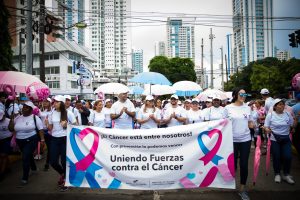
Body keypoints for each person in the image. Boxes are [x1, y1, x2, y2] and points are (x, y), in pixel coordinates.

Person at [224, 88, 254, 200]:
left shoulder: (247, 108)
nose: (243, 95)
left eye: (245, 94)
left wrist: (254, 125)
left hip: (245, 140)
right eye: (241, 94)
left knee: (244, 164)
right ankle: (231, 184)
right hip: (231, 140)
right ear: (235, 95)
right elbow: (223, 123)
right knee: (233, 165)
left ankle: (242, 189)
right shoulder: (228, 108)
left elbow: (250, 121)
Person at [8, 101, 45, 186]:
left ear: (31, 109)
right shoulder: (17, 118)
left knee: (25, 157)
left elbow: (40, 130)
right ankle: (34, 168)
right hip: (19, 141)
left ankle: (24, 178)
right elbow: (10, 129)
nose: (24, 109)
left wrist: (42, 140)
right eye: (23, 107)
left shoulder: (35, 118)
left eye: (26, 107)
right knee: (27, 155)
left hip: (31, 140)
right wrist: (11, 120)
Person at [46, 95, 76, 191]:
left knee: (64, 161)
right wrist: (47, 124)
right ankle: (63, 174)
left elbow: (76, 125)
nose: (54, 103)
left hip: (65, 139)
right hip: (54, 139)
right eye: (54, 101)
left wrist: (67, 124)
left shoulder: (68, 113)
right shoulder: (51, 113)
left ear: (61, 103)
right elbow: (50, 128)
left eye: (57, 102)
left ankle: (66, 182)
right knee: (53, 161)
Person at [264, 99, 296, 184]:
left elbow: (292, 125)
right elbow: (266, 126)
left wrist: (296, 119)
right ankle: (277, 173)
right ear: (275, 106)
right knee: (276, 157)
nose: (282, 106)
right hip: (274, 139)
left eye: (283, 104)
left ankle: (286, 174)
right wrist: (267, 130)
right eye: (280, 104)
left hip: (286, 138)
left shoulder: (287, 114)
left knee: (288, 157)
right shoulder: (270, 115)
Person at [38, 98, 53, 171]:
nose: (45, 103)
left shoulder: (53, 111)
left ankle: (47, 163)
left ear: (50, 103)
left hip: (50, 131)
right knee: (43, 145)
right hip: (42, 131)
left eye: (47, 102)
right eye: (44, 101)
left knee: (50, 148)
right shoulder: (41, 110)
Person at [0, 109, 12, 181]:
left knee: (3, 155)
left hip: (7, 140)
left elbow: (13, 130)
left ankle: (2, 172)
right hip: (0, 141)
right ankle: (7, 167)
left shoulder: (8, 121)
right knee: (3, 155)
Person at [292, 93, 300, 158]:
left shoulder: (294, 107)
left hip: (298, 125)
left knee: (296, 141)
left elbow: (294, 119)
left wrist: (293, 127)